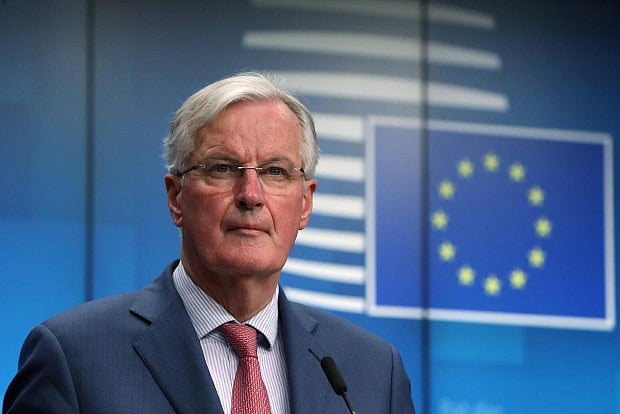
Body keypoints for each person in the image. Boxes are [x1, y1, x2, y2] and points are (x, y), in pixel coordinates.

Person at [3, 72, 415, 414]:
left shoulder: (375, 372)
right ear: (176, 197)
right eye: (222, 168)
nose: (251, 195)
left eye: (274, 171)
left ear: (305, 203)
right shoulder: (74, 357)